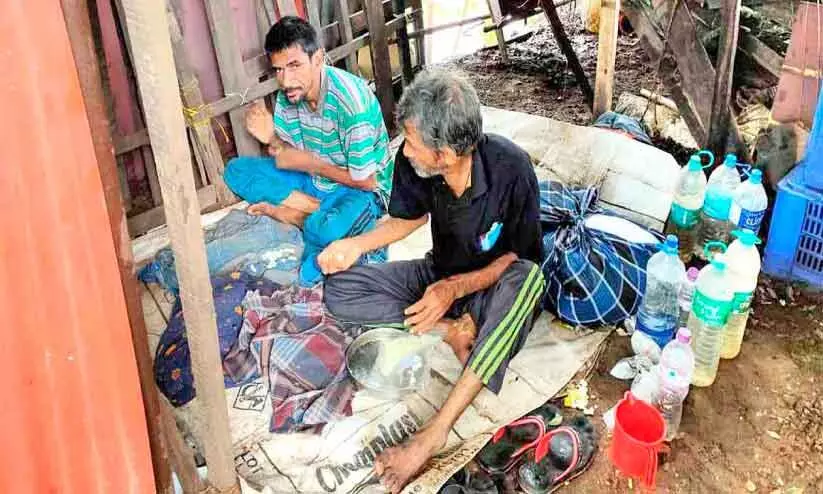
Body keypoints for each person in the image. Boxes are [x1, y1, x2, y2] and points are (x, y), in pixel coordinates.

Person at [319, 70, 545, 493]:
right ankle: (450, 330)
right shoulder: (415, 165)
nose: (404, 150)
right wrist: (355, 245)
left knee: (530, 280)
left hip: (491, 290)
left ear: (446, 154)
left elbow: (520, 256)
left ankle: (434, 433)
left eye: (411, 141)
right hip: (438, 275)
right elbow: (409, 218)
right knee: (339, 289)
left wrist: (454, 290)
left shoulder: (511, 168)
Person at [224, 16, 393, 286]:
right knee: (237, 171)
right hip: (313, 181)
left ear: (318, 59)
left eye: (294, 66)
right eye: (278, 70)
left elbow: (368, 182)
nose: (285, 80)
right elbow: (291, 155)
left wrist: (313, 165)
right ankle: (315, 212)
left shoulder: (351, 104)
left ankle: (298, 215)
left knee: (329, 234)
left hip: (358, 190)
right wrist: (272, 138)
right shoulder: (290, 96)